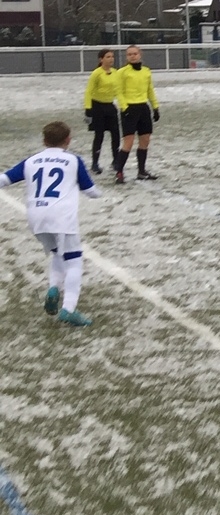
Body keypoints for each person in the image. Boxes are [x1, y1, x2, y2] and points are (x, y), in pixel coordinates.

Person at [0, 121, 101, 327]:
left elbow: (4, 179)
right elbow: (90, 190)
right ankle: (68, 309)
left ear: (44, 141)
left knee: (57, 254)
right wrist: (99, 194)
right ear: (68, 140)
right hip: (61, 217)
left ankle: (54, 288)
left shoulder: (31, 161)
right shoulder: (73, 160)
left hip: (36, 217)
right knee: (74, 261)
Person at [111, 44, 160, 183]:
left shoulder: (146, 71)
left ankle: (141, 171)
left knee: (145, 140)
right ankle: (119, 172)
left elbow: (150, 90)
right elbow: (119, 92)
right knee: (128, 142)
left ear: (140, 54)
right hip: (129, 109)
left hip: (143, 108)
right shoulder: (122, 72)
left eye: (135, 54)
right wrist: (124, 107)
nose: (132, 56)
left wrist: (155, 107)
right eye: (129, 54)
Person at [81, 48, 121, 174]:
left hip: (110, 106)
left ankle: (116, 161)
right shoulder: (96, 73)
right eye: (108, 57)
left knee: (116, 134)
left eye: (112, 56)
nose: (111, 59)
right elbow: (89, 92)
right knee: (99, 135)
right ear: (101, 59)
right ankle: (95, 163)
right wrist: (88, 109)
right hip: (97, 107)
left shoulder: (115, 72)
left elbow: (118, 90)